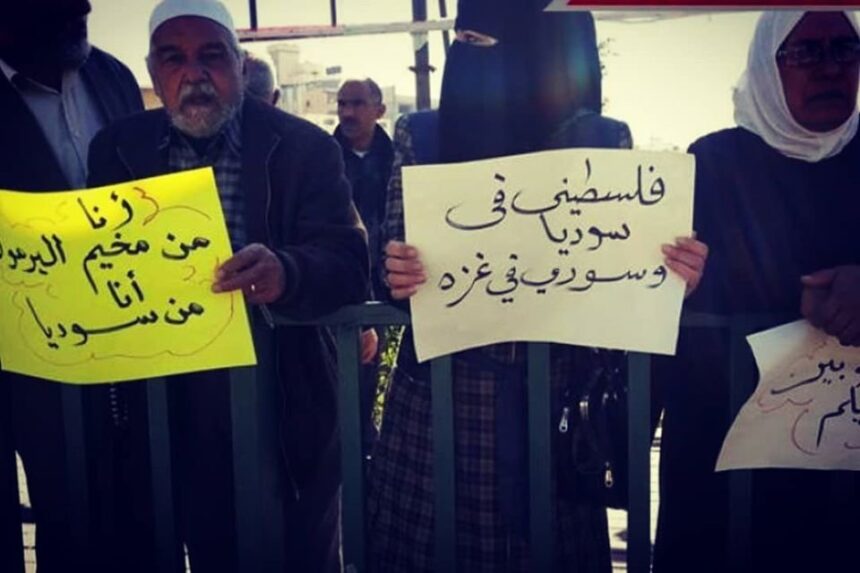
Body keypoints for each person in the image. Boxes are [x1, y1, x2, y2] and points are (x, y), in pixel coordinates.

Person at [368, 3, 707, 571]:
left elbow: (624, 266)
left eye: (492, 44)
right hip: (439, 408)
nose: (475, 60)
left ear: (544, 50)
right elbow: (393, 250)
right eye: (466, 42)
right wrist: (394, 270)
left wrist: (674, 274)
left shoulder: (603, 141)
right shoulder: (420, 135)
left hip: (558, 410)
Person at [86, 1, 368, 571]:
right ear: (153, 70)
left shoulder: (305, 148)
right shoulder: (117, 149)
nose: (194, 74)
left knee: (295, 555)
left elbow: (348, 260)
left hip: (283, 407)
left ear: (239, 65)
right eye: (173, 59)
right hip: (159, 409)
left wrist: (286, 272)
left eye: (211, 56)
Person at [653, 11, 860, 573]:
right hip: (722, 447)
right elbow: (672, 284)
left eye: (845, 49)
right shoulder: (711, 163)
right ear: (767, 65)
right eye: (806, 53)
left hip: (844, 461)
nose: (830, 70)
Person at [0, 1, 144, 571]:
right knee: (62, 522)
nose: (83, 6)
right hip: (25, 363)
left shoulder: (113, 76)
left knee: (138, 516)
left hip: (129, 349)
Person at [334, 78, 393, 450]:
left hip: (390, 289)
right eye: (342, 104)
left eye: (357, 103)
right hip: (339, 287)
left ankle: (366, 458)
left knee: (375, 382)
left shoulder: (397, 157)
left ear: (379, 109)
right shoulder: (324, 157)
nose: (347, 112)